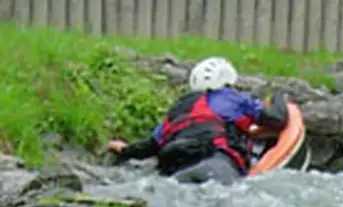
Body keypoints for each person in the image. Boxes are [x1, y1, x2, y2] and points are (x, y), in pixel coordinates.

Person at [105, 57, 289, 185]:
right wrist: (279, 96)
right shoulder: (232, 97)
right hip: (217, 166)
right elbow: (277, 118)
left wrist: (124, 149)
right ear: (226, 82)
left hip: (175, 173)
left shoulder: (178, 110)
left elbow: (149, 146)